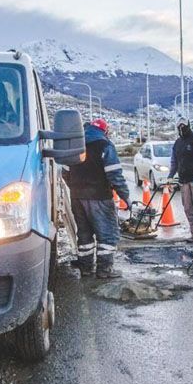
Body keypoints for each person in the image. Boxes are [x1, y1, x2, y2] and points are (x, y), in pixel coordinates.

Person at [62, 119, 130, 279]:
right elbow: (115, 175)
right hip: (99, 197)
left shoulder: (75, 145)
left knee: (84, 234)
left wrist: (76, 187)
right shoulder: (105, 145)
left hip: (77, 198)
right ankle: (105, 270)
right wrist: (125, 196)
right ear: (104, 131)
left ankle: (86, 268)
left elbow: (64, 172)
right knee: (107, 234)